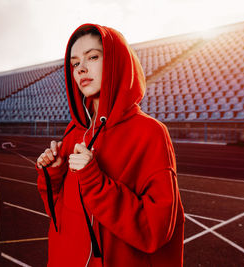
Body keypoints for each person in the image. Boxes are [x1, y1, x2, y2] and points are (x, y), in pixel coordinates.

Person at [35, 23, 184, 267]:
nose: (81, 68)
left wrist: (94, 179)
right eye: (74, 63)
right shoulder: (74, 132)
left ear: (116, 62)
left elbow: (156, 231)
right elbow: (59, 215)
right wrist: (52, 174)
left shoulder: (150, 133)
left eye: (92, 57)